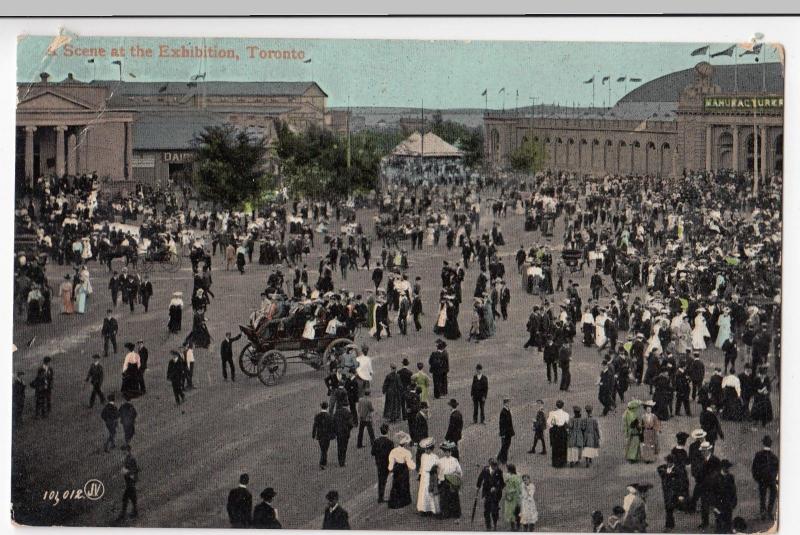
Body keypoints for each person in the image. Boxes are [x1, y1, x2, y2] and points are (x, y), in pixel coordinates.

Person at [657, 454, 689, 532]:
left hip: (674, 493)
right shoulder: (663, 468)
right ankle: (670, 525)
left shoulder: (678, 471)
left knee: (669, 508)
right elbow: (659, 470)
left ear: (673, 462)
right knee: (668, 508)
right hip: (666, 492)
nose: (668, 463)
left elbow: (682, 483)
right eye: (667, 462)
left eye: (670, 462)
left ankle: (669, 526)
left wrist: (681, 494)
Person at [751, 435, 778, 521]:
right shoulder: (774, 457)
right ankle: (769, 511)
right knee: (773, 493)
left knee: (762, 496)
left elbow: (754, 468)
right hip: (771, 479)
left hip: (762, 479)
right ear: (770, 444)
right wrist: (774, 478)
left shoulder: (758, 455)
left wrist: (757, 478)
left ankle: (763, 512)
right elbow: (776, 469)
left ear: (763, 443)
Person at [388, 432, 416, 509]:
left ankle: (395, 501)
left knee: (396, 484)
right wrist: (413, 466)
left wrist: (391, 469)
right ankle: (404, 500)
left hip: (396, 468)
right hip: (403, 468)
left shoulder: (393, 451)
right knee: (404, 484)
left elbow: (391, 462)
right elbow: (410, 464)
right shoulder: (407, 452)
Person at [709, 460, 738, 533]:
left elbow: (733, 491)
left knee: (728, 525)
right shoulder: (715, 478)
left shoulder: (731, 477)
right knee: (720, 526)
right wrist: (714, 507)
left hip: (728, 505)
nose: (727, 469)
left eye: (728, 467)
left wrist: (734, 502)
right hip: (718, 505)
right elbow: (712, 493)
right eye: (726, 467)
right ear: (721, 468)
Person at [476, 458, 505, 530]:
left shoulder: (499, 471)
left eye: (496, 466)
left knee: (494, 510)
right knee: (487, 510)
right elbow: (480, 479)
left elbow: (502, 484)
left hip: (496, 495)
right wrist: (478, 487)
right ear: (490, 465)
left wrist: (496, 488)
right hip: (487, 493)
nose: (495, 467)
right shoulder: (485, 470)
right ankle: (488, 525)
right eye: (494, 466)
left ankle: (495, 524)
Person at [437, 441, 463, 518]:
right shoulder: (440, 461)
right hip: (444, 481)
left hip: (452, 481)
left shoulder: (454, 460)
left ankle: (455, 513)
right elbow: (440, 471)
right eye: (446, 452)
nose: (448, 453)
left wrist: (456, 477)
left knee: (454, 497)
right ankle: (445, 513)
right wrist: (440, 479)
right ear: (444, 452)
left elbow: (459, 471)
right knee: (444, 497)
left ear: (451, 452)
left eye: (449, 452)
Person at [416, 437, 440, 515]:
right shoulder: (423, 456)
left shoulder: (435, 457)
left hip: (431, 476)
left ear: (431, 449)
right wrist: (420, 474)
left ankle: (431, 509)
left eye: (428, 449)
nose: (426, 451)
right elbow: (422, 466)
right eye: (425, 449)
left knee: (430, 492)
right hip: (424, 476)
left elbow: (438, 467)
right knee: (423, 492)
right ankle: (423, 508)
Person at [115, 445, 139, 522]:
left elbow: (136, 469)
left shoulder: (131, 459)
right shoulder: (127, 458)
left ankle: (123, 514)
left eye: (124, 451)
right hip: (129, 481)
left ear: (128, 450)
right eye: (122, 451)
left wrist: (127, 472)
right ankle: (134, 511)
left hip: (131, 481)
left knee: (126, 497)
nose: (122, 452)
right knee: (131, 497)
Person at [371, 424, 394, 503]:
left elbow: (372, 453)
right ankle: (387, 496)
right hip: (387, 463)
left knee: (381, 480)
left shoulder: (376, 441)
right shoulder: (390, 442)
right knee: (387, 479)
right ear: (387, 431)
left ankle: (380, 497)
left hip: (379, 463)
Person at [548, 400, 570, 468]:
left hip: (555, 430)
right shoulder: (566, 414)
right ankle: (562, 461)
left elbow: (549, 423)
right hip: (562, 430)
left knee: (555, 446)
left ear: (556, 405)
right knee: (562, 445)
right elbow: (567, 423)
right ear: (562, 406)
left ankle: (555, 462)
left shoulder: (552, 413)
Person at [333, 402, 355, 467]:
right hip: (345, 432)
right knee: (344, 447)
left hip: (338, 432)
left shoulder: (337, 412)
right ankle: (343, 461)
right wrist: (349, 429)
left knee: (339, 447)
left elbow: (334, 421)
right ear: (347, 405)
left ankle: (340, 461)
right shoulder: (348, 413)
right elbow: (350, 424)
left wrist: (335, 430)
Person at [502, 464, 522, 530]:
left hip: (513, 496)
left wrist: (509, 492)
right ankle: (515, 526)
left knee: (513, 511)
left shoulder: (513, 476)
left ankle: (515, 526)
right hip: (514, 496)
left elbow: (517, 488)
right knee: (514, 511)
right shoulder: (517, 475)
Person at [498, 398, 515, 465]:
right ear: (505, 403)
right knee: (505, 446)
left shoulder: (507, 410)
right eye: (507, 403)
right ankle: (504, 460)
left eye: (509, 402)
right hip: (505, 433)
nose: (508, 404)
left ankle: (499, 457)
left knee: (506, 445)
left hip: (509, 432)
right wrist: (502, 433)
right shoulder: (503, 412)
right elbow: (501, 424)